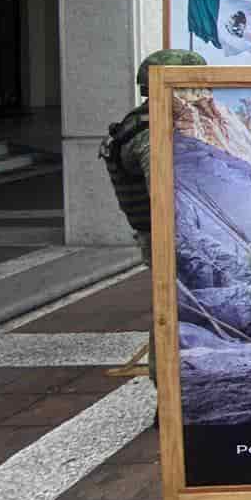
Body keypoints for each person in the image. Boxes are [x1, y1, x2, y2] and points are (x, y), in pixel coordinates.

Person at [100, 49, 206, 385]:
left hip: (174, 236)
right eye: (194, 87)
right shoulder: (149, 133)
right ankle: (171, 399)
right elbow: (165, 194)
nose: (201, 94)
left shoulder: (150, 123)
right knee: (173, 313)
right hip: (168, 238)